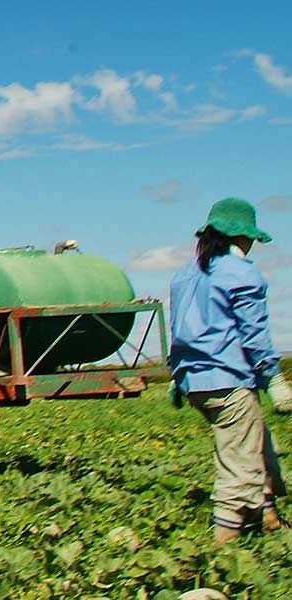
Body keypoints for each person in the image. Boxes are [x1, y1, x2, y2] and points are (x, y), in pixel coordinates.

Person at [167, 197, 292, 544]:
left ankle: (269, 518)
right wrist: (275, 378)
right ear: (242, 237)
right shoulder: (242, 273)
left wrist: (176, 379)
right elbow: (254, 334)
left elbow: (179, 330)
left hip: (195, 382)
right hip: (228, 380)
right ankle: (225, 551)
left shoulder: (185, 275)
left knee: (258, 442)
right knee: (239, 464)